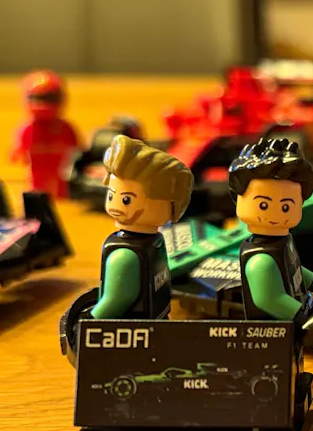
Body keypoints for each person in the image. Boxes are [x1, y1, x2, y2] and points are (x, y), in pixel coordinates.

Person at [90, 136, 194, 320]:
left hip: (129, 328)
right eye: (112, 195)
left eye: (126, 200)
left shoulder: (124, 255)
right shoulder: (154, 242)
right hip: (156, 319)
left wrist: (89, 320)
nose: (115, 206)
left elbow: (116, 300)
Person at [228, 137, 313, 321]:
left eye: (286, 207)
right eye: (263, 205)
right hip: (274, 331)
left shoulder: (284, 243)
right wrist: (305, 317)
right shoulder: (261, 261)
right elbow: (268, 300)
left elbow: (293, 271)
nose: (275, 215)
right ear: (237, 198)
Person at [10, 70, 81, 198]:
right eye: (39, 98)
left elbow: (77, 149)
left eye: (49, 98)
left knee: (61, 187)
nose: (43, 104)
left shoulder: (65, 128)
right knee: (37, 187)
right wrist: (18, 153)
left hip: (59, 168)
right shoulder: (28, 129)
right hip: (38, 167)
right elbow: (17, 151)